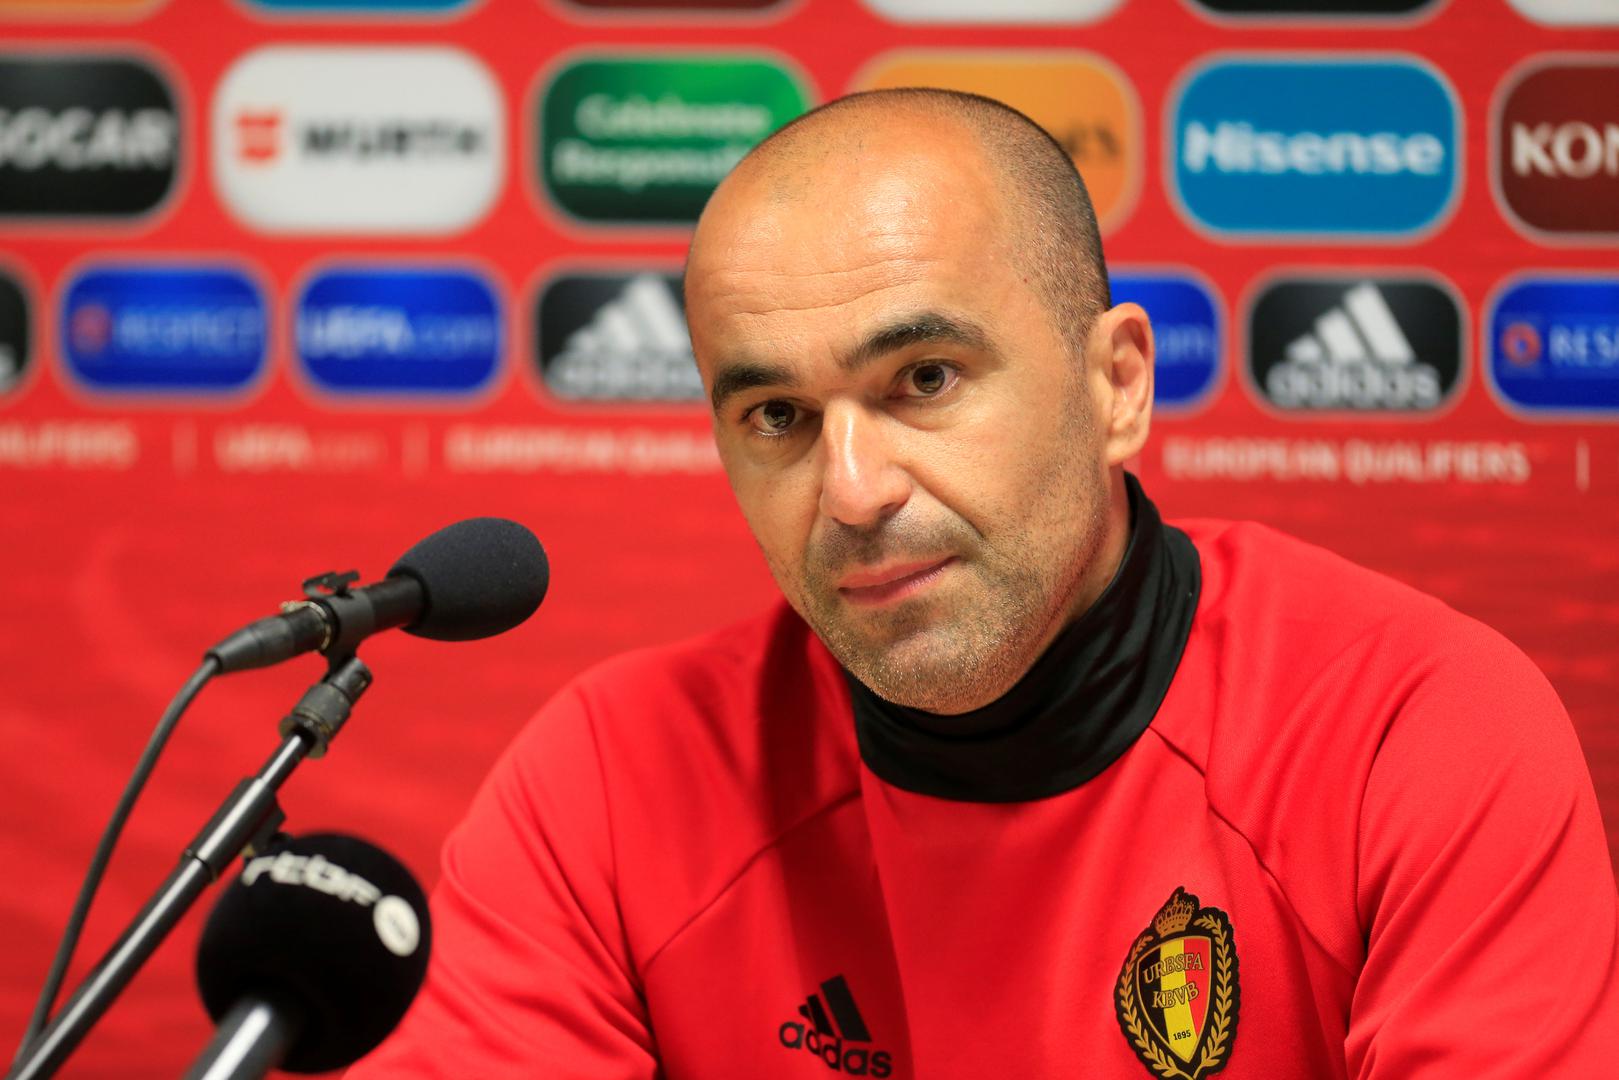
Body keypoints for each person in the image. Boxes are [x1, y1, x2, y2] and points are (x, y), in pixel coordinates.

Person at [349, 90, 1618, 1078]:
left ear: (1116, 385)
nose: (852, 491)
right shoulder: (609, 781)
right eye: (778, 414)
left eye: (924, 380)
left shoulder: (1414, 732)